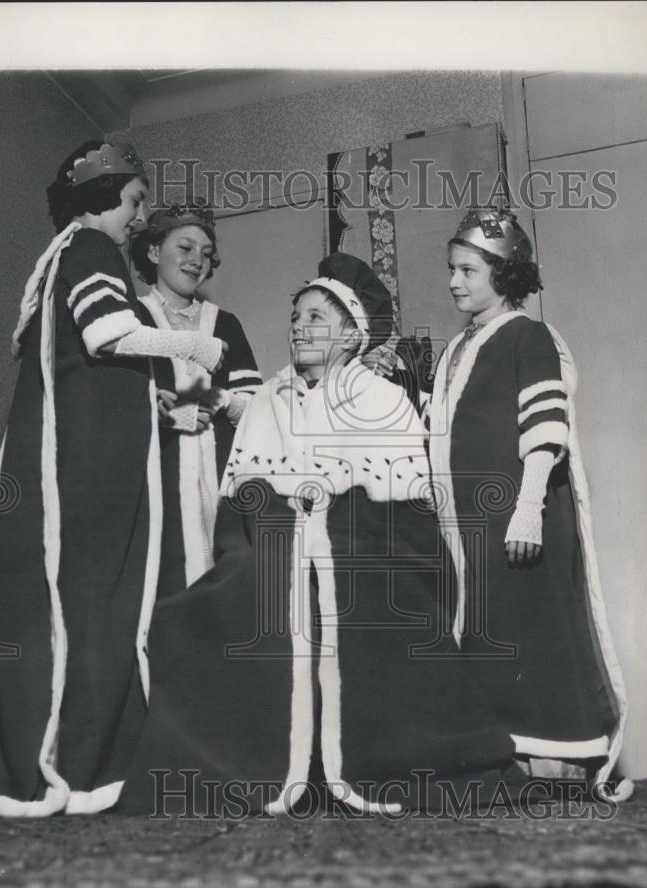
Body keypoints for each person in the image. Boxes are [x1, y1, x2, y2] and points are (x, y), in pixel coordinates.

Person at [0, 139, 225, 817]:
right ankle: (82, 762)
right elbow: (105, 334)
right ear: (102, 199)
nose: (138, 213)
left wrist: (147, 400)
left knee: (78, 607)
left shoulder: (65, 255)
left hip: (78, 460)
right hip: (90, 474)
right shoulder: (91, 248)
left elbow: (79, 369)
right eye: (133, 200)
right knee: (98, 609)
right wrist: (193, 344)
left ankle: (83, 757)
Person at [116, 252, 526, 817]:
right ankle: (254, 769)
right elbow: (244, 505)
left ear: (352, 336)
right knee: (208, 609)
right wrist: (289, 525)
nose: (300, 328)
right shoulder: (269, 399)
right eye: (296, 318)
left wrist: (330, 524)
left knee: (369, 603)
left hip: (369, 557)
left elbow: (407, 515)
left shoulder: (382, 400)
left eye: (317, 319)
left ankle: (376, 762)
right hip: (277, 556)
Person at [428, 207, 631, 800]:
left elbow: (545, 428)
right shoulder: (458, 347)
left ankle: (560, 765)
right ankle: (503, 762)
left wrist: (528, 508)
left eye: (467, 269)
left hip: (521, 516)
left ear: (504, 273)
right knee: (491, 633)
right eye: (451, 269)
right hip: (475, 524)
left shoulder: (528, 334)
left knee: (535, 633)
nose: (454, 281)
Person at [131, 204, 262, 598]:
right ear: (154, 252)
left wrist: (221, 399)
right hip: (156, 483)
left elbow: (255, 408)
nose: (197, 261)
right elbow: (118, 405)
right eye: (185, 248)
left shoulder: (225, 324)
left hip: (222, 483)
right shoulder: (132, 318)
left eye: (206, 254)